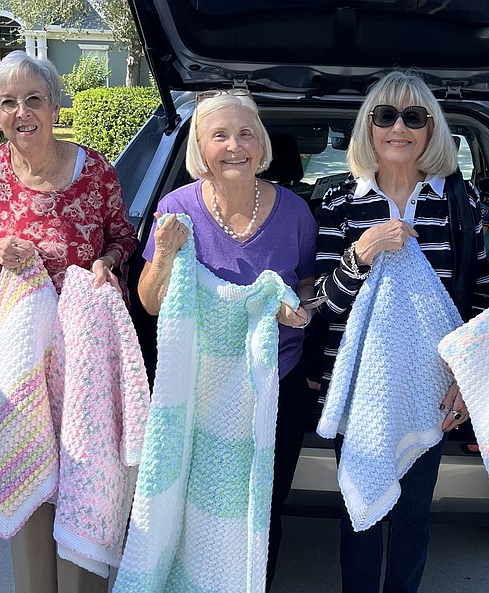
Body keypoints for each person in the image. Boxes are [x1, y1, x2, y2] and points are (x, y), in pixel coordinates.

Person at [0, 51, 138, 593]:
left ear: (56, 105)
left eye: (34, 98)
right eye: (8, 102)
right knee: (24, 455)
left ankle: (82, 576)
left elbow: (123, 238)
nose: (22, 111)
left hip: (82, 351)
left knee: (84, 463)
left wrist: (106, 262)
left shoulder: (96, 169)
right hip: (22, 346)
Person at [313, 70, 489, 593]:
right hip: (359, 389)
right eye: (385, 116)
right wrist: (361, 252)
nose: (399, 128)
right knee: (360, 513)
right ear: (367, 128)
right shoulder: (338, 204)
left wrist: (467, 380)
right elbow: (324, 305)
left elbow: (480, 298)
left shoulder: (459, 205)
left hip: (433, 389)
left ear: (430, 129)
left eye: (413, 117)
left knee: (415, 515)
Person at [135, 89, 318, 590]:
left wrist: (299, 310)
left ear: (261, 145)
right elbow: (151, 302)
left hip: (275, 387)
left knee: (262, 509)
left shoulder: (297, 213)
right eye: (219, 135)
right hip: (201, 389)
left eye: (245, 134)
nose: (233, 145)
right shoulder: (176, 208)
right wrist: (167, 253)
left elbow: (305, 284)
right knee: (197, 508)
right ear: (200, 148)